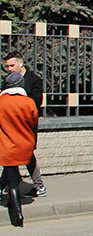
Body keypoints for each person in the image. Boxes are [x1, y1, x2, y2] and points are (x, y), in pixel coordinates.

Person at [2, 53, 45, 197]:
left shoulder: (33, 80)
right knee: (11, 159)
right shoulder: (8, 80)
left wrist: (20, 101)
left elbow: (37, 101)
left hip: (25, 126)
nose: (9, 69)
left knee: (26, 156)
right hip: (10, 126)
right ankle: (37, 186)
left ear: (21, 64)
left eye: (11, 65)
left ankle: (39, 186)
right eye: (7, 66)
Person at [0, 71, 38, 227]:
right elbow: (33, 120)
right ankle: (10, 201)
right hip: (24, 144)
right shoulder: (28, 102)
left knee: (13, 180)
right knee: (12, 174)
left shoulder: (1, 102)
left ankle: (17, 215)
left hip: (7, 145)